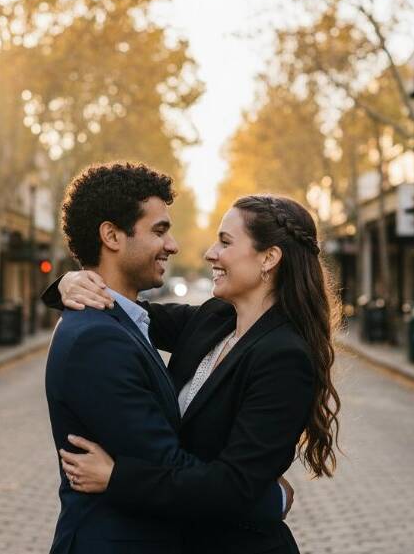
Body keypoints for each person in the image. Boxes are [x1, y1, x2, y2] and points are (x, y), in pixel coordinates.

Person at [48, 193, 341, 554]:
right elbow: (123, 312)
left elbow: (231, 488)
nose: (210, 254)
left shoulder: (284, 357)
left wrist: (117, 478)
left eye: (226, 242)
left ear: (269, 258)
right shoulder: (214, 318)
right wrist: (67, 283)